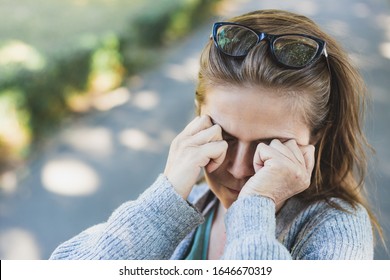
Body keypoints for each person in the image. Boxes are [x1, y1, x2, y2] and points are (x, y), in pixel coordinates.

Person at [50, 9, 382, 260]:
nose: (238, 170)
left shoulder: (338, 228)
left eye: (270, 146)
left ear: (317, 138)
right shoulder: (187, 205)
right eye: (225, 136)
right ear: (199, 119)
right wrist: (161, 202)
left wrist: (256, 204)